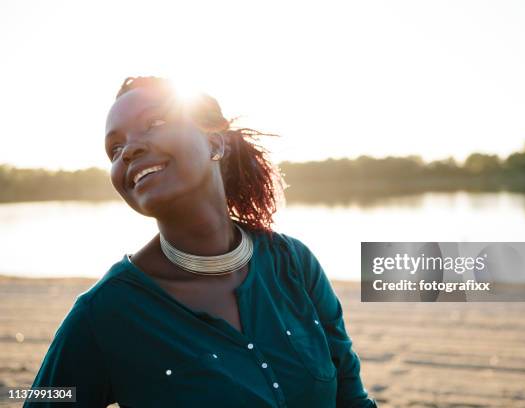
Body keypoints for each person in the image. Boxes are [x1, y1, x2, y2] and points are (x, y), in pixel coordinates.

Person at [25, 76, 377, 407]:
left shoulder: (294, 263)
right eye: (115, 148)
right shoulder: (105, 313)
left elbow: (351, 398)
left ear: (214, 142)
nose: (128, 150)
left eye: (154, 123)